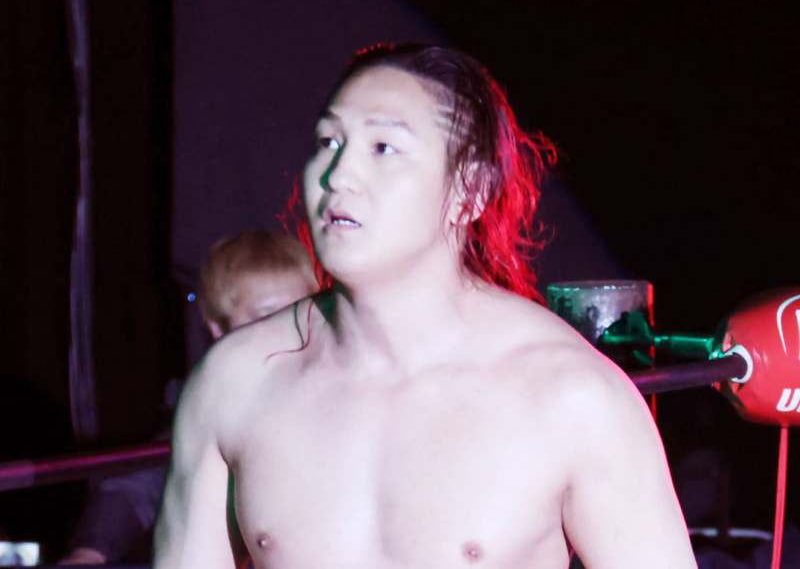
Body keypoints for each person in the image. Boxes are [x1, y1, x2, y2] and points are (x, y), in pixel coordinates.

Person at [154, 43, 696, 568]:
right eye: (327, 141)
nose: (337, 175)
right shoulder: (235, 382)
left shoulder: (572, 397)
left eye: (383, 148)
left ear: (469, 188)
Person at [60, 231, 318, 565]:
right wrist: (89, 553)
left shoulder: (343, 391)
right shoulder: (211, 408)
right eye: (267, 316)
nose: (287, 331)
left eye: (300, 312)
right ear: (218, 328)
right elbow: (141, 484)